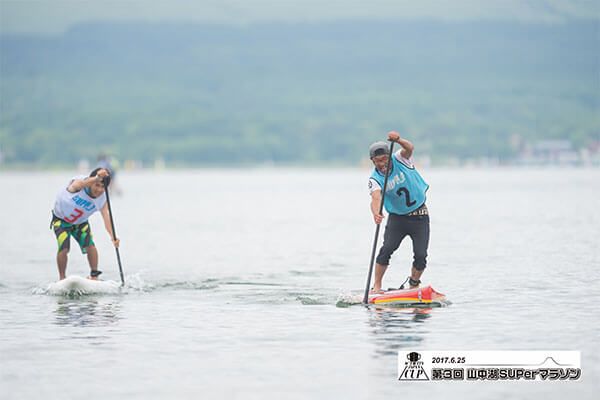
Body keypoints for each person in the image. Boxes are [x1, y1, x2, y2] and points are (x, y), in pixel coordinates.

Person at [368, 131, 430, 293]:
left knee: (421, 255)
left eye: (384, 159)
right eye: (377, 161)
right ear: (373, 162)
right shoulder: (374, 179)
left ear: (389, 156)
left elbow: (410, 148)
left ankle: (414, 284)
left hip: (420, 216)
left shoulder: (400, 158)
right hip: (397, 220)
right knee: (386, 250)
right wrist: (376, 213)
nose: (382, 164)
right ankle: (377, 286)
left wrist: (399, 140)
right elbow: (375, 198)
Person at [50, 168, 120, 280]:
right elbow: (81, 184)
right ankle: (62, 278)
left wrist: (113, 237)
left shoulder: (103, 199)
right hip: (61, 220)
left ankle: (94, 275)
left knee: (90, 246)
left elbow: (107, 218)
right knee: (64, 247)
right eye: (97, 185)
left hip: (80, 223)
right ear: (91, 182)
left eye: (103, 187)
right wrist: (97, 178)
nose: (99, 190)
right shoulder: (79, 183)